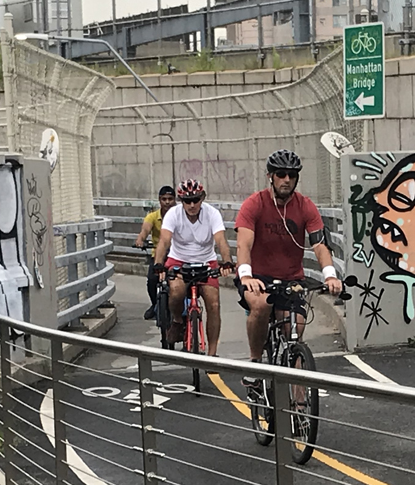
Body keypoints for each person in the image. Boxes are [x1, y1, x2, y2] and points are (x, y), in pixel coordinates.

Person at [234, 150, 342, 378]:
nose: (287, 180)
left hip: (291, 278)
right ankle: (255, 364)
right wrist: (245, 276)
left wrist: (330, 275)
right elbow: (244, 244)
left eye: (292, 175)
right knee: (261, 306)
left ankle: (300, 408)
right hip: (258, 278)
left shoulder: (305, 206)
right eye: (281, 174)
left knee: (296, 331)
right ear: (270, 177)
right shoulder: (255, 204)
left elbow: (319, 244)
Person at [153, 179, 234, 358]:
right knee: (175, 291)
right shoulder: (173, 214)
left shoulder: (212, 214)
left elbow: (221, 240)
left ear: (202, 198)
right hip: (179, 259)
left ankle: (212, 355)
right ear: (181, 201)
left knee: (213, 303)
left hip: (206, 261)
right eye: (187, 201)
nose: (191, 205)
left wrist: (227, 261)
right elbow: (164, 240)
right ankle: (177, 320)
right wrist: (159, 264)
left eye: (195, 200)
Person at [133, 185, 176, 320]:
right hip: (158, 254)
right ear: (159, 200)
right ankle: (155, 304)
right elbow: (145, 230)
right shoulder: (152, 216)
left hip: (177, 254)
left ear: (175, 200)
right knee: (152, 279)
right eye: (164, 199)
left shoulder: (180, 216)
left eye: (170, 199)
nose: (167, 202)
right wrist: (141, 240)